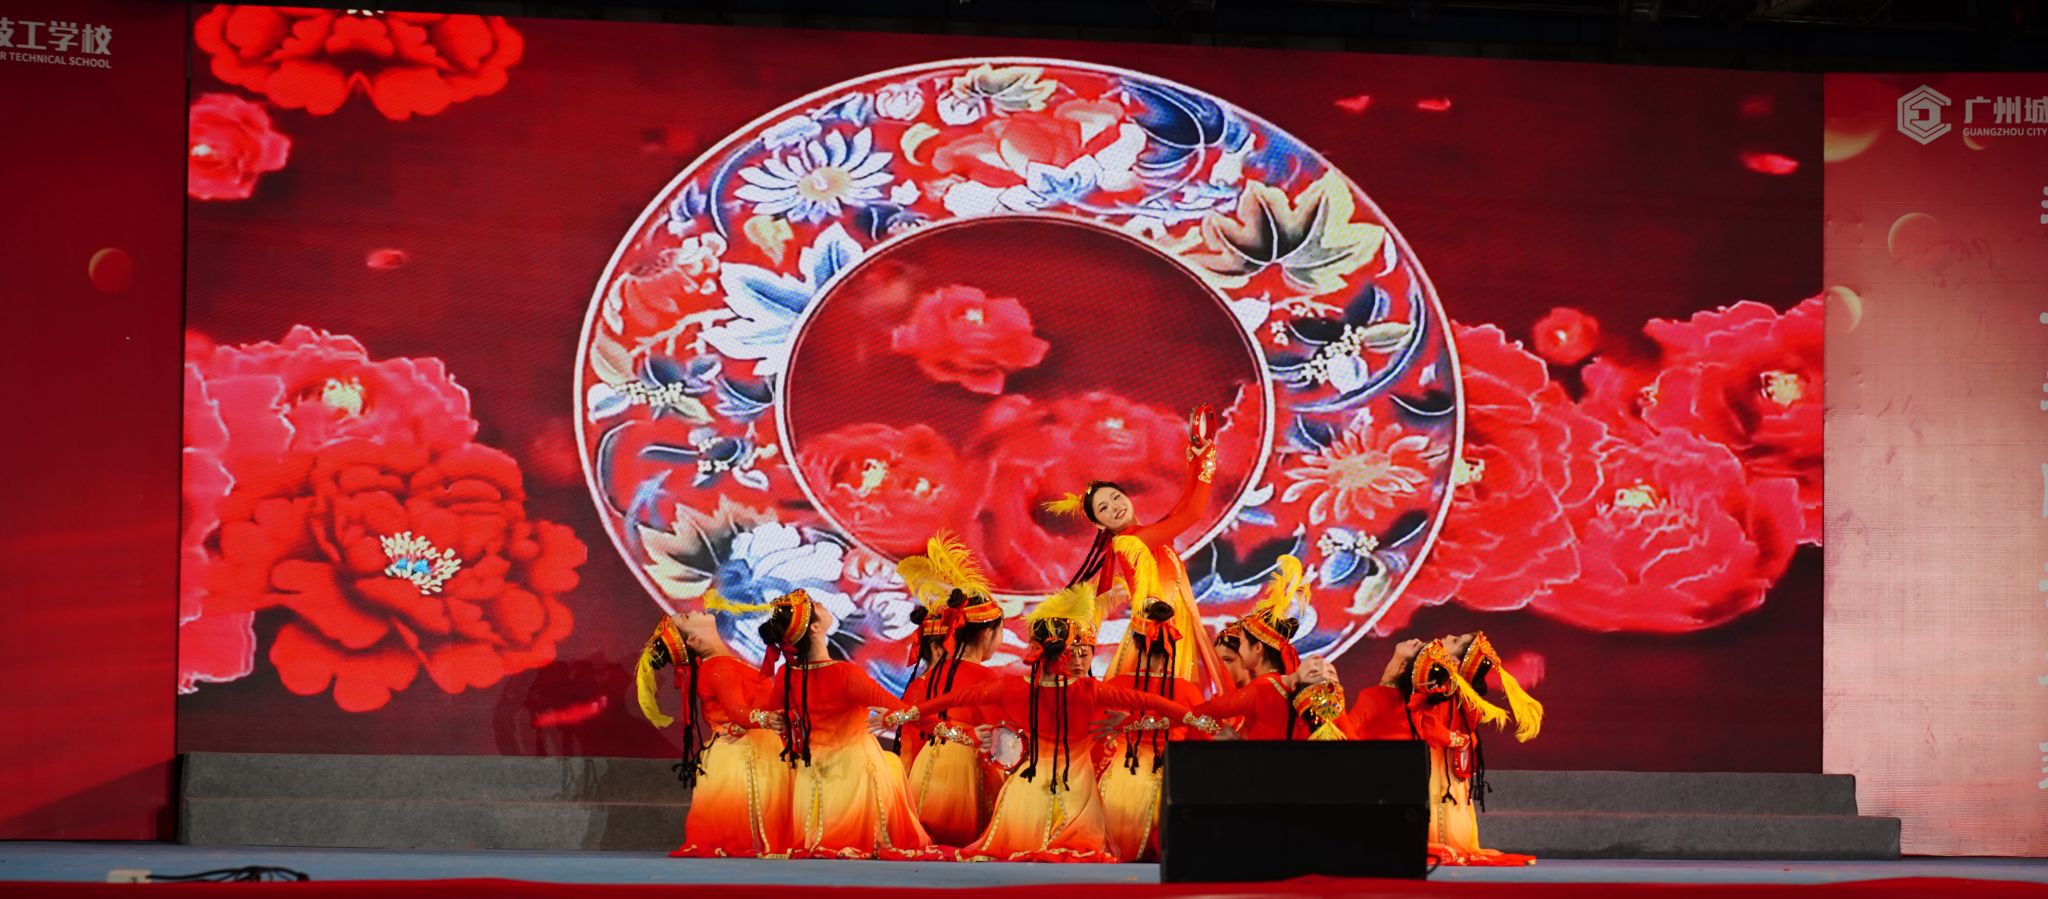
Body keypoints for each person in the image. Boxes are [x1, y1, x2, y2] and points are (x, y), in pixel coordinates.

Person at [886, 584, 1225, 862]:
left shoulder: (1014, 687)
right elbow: (1149, 701)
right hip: (1075, 795)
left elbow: (958, 699)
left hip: (1025, 797)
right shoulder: (1090, 690)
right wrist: (1195, 719)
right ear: (1064, 652)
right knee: (1077, 856)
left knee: (1017, 855)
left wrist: (906, 714)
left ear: (1037, 650)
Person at [1045, 405, 1232, 696]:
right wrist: (1207, 458)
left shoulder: (1142, 535)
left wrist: (1196, 458)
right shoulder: (1132, 541)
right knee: (1174, 700)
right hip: (1164, 630)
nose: (1114, 507)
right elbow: (1193, 513)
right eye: (1104, 508)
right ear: (1099, 524)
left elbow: (1183, 506)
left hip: (1170, 624)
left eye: (1116, 498)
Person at [752, 589, 940, 860]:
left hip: (812, 778)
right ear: (815, 627)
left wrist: (775, 719)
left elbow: (769, 714)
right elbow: (904, 710)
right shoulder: (844, 674)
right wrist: (953, 731)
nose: (821, 603)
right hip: (854, 776)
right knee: (890, 768)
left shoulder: (786, 674)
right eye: (816, 605)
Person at [632, 611, 792, 858]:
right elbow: (737, 711)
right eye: (686, 617)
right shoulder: (718, 667)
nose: (694, 610)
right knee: (742, 842)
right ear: (693, 640)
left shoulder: (725, 662)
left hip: (756, 749)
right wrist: (766, 719)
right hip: (742, 757)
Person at [893, 532, 1008, 848]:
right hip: (966, 779)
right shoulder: (985, 678)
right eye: (1001, 630)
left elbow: (908, 744)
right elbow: (1001, 742)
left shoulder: (925, 680)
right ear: (987, 633)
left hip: (922, 776)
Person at [1398, 633, 1540, 867]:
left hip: (1438, 759)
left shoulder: (1447, 690)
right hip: (1439, 756)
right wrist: (1457, 740)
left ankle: (1442, 846)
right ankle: (1444, 845)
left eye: (1455, 641)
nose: (1449, 636)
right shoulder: (1447, 688)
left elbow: (1433, 726)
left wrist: (1455, 740)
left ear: (1456, 661)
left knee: (1441, 797)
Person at [1096, 598, 1205, 862]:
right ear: (1172, 645)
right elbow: (1201, 744)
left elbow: (1096, 738)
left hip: (1119, 782)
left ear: (1135, 645)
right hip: (1170, 783)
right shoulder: (1189, 692)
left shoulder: (1116, 686)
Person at [1190, 555, 1342, 739]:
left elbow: (1206, 711)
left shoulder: (1265, 687)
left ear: (1257, 648)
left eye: (1242, 643)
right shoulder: (1284, 684)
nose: (1239, 650)